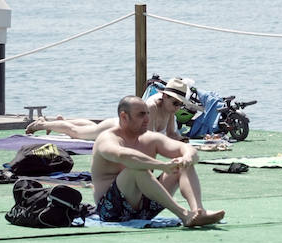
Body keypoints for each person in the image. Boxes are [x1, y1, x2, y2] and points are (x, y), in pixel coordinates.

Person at [91, 95, 225, 227]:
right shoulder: (107, 138)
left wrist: (188, 157)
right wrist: (162, 166)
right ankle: (184, 214)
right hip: (112, 211)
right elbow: (124, 156)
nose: (147, 119)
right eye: (141, 115)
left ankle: (198, 211)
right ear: (124, 117)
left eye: (148, 114)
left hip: (145, 208)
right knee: (136, 169)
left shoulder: (150, 138)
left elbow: (186, 148)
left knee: (183, 163)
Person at [25, 78, 193, 141]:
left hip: (116, 124)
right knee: (78, 132)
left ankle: (61, 123)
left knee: (90, 126)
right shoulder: (151, 107)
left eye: (180, 104)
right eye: (176, 103)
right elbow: (145, 138)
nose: (178, 107)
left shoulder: (169, 110)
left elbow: (171, 134)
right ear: (164, 97)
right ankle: (42, 125)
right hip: (116, 128)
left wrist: (183, 141)